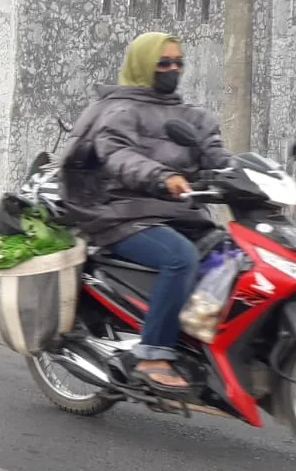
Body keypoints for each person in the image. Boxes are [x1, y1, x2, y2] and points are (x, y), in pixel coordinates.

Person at [69, 31, 231, 394]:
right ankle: (153, 356)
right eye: (163, 63)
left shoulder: (190, 115)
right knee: (180, 258)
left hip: (177, 213)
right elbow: (118, 155)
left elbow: (216, 155)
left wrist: (249, 174)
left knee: (231, 255)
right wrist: (163, 176)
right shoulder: (119, 110)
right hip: (122, 213)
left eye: (178, 63)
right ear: (143, 65)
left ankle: (199, 344)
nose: (172, 69)